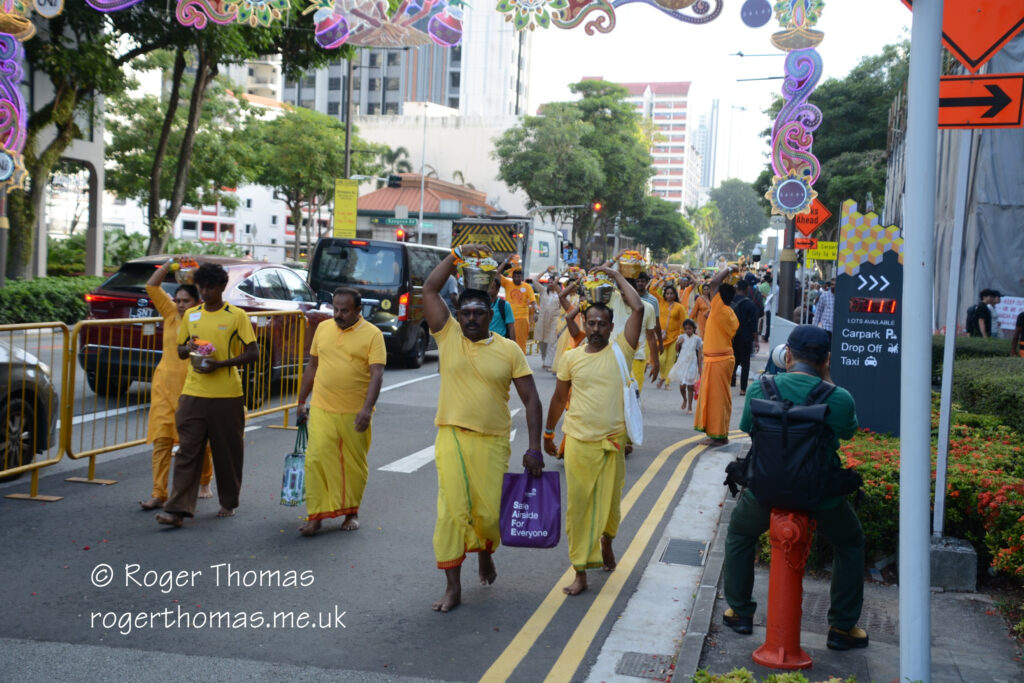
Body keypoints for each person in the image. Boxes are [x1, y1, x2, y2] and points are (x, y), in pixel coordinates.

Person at [722, 325, 867, 652]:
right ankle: (842, 627)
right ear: (826, 359)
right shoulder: (839, 398)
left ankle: (740, 612)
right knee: (850, 542)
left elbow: (747, 427)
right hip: (821, 495)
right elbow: (848, 432)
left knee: (740, 534)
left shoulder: (760, 389)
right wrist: (827, 381)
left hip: (765, 490)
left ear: (787, 355)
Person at [423, 244, 544, 612]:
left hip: (493, 443)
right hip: (451, 436)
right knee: (451, 512)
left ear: (491, 313)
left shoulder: (509, 350)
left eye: (479, 312)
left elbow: (532, 400)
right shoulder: (448, 335)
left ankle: (485, 552)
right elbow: (429, 289)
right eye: (466, 313)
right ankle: (453, 587)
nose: (472, 318)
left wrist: (535, 447)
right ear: (457, 315)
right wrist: (457, 254)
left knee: (489, 516)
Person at [544, 266, 644, 596]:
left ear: (611, 327)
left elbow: (638, 308)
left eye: (602, 324)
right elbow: (559, 398)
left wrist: (616, 276)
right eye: (591, 323)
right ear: (583, 324)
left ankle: (607, 540)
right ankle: (580, 571)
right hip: (578, 442)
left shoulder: (622, 350)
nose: (596, 329)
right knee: (579, 509)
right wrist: (548, 433)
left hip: (612, 443)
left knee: (610, 506)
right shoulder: (571, 358)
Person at [155, 263, 258, 527]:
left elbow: (253, 353)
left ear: (222, 287)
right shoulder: (191, 315)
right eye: (201, 287)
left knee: (227, 453)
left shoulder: (236, 316)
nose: (205, 292)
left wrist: (221, 364)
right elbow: (181, 350)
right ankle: (177, 511)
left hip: (227, 395)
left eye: (210, 287)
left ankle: (229, 501)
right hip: (193, 393)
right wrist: (188, 347)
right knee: (187, 452)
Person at [295, 287, 385, 536]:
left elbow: (377, 374)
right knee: (316, 461)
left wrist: (366, 409)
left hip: (354, 412)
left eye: (344, 310)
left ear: (359, 310)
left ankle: (351, 512)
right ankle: (316, 516)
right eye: (335, 309)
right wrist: (301, 400)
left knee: (352, 466)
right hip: (322, 407)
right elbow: (313, 366)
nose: (338, 314)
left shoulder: (373, 334)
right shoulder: (323, 328)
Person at [139, 258, 214, 511]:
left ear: (197, 302)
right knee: (161, 439)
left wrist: (197, 274)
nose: (180, 305)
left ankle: (205, 480)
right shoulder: (170, 313)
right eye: (178, 300)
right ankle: (158, 493)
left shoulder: (203, 319)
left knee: (198, 442)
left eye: (185, 301)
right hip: (164, 386)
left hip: (192, 389)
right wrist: (169, 265)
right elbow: (151, 287)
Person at [692, 267, 740, 447]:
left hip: (718, 360)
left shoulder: (719, 308)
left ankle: (719, 436)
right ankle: (718, 434)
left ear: (719, 297)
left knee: (717, 400)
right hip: (721, 359)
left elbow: (713, 283)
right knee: (718, 398)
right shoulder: (729, 312)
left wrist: (729, 269)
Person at [499, 261, 537, 355]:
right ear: (512, 277)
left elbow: (533, 301)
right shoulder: (507, 283)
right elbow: (497, 274)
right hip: (508, 318)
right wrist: (506, 261)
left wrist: (535, 312)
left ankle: (521, 360)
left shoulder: (527, 287)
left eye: (519, 276)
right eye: (515, 276)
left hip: (521, 318)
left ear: (522, 277)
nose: (517, 278)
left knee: (520, 343)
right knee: (507, 342)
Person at [730, 279, 760, 395]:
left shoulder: (730, 302)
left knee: (733, 359)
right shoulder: (750, 305)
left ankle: (731, 381)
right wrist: (756, 341)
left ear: (736, 289)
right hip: (746, 337)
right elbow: (754, 325)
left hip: (732, 336)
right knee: (745, 363)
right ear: (747, 289)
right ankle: (743, 389)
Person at [668, 318, 702, 412]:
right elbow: (676, 350)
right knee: (682, 386)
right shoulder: (681, 337)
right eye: (686, 329)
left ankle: (690, 406)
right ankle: (684, 399)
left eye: (689, 328)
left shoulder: (697, 339)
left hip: (692, 364)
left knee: (690, 386)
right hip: (682, 363)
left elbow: (700, 355)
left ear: (693, 329)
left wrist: (700, 368)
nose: (688, 331)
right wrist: (678, 343)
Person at [487, 276, 516, 340]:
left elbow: (511, 326)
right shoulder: (482, 304)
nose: (488, 290)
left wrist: (513, 344)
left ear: (497, 290)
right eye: (487, 287)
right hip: (485, 342)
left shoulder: (504, 305)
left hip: (500, 341)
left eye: (491, 288)